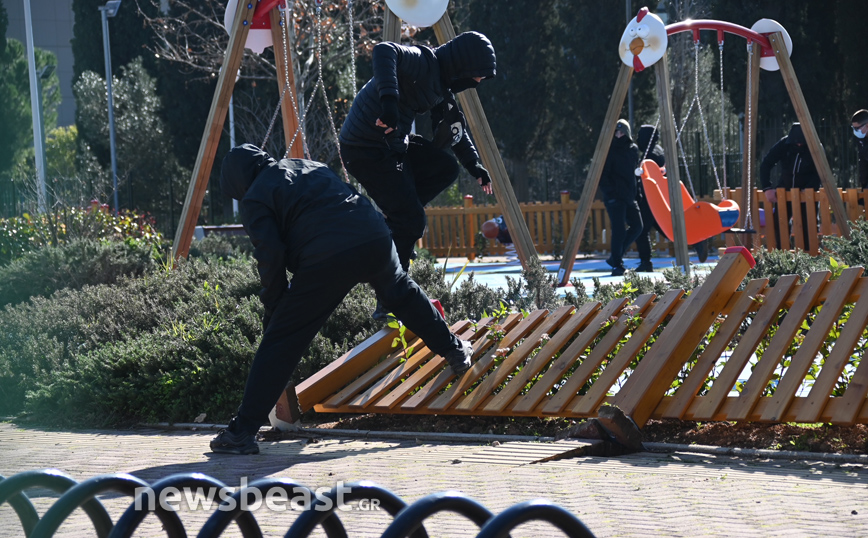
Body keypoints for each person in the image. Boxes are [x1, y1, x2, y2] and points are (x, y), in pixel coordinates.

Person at [210, 144, 474, 455]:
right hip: (375, 234)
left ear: (237, 182)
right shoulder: (306, 165)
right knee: (399, 292)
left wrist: (276, 310)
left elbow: (271, 256)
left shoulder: (255, 197)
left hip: (327, 254)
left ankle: (241, 432)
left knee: (282, 341)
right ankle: (455, 349)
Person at [339, 31, 496, 319]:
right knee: (411, 219)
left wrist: (475, 166)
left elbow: (455, 130)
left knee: (445, 167)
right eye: (477, 77)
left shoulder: (442, 87)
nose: (476, 83)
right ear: (464, 64)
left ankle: (397, 218)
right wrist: (389, 103)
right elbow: (384, 50)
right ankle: (388, 302)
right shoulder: (423, 61)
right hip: (363, 146)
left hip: (392, 145)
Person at [759, 123, 821, 250]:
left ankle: (809, 253)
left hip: (807, 193)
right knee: (779, 223)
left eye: (801, 143)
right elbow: (766, 164)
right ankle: (783, 253)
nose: (798, 145)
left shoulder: (815, 147)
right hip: (784, 191)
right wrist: (767, 188)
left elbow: (820, 172)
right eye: (796, 143)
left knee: (808, 225)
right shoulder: (784, 145)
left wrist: (810, 188)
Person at [600, 119, 642, 276]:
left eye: (622, 132)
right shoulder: (609, 150)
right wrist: (611, 193)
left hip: (630, 196)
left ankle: (615, 256)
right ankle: (617, 264)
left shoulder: (633, 150)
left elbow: (634, 173)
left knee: (638, 226)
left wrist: (636, 192)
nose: (619, 135)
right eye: (617, 132)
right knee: (619, 231)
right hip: (615, 197)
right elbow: (603, 176)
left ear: (628, 133)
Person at [633, 124, 666, 272]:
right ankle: (646, 261)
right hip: (657, 197)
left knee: (641, 230)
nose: (638, 139)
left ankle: (646, 261)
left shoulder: (650, 154)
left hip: (650, 199)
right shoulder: (658, 151)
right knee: (663, 228)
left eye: (640, 136)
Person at [850, 109, 868, 195]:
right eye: (853, 128)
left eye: (857, 128)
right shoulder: (862, 140)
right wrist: (863, 184)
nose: (855, 131)